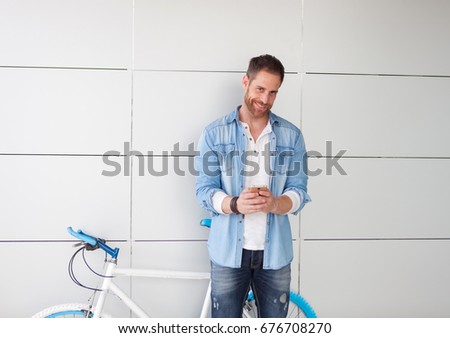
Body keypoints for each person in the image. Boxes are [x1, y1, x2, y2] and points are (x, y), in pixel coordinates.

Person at [195, 54, 310, 318]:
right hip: (228, 254)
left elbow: (299, 191)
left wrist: (275, 203)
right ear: (245, 82)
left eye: (273, 92)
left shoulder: (291, 136)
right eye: (260, 89)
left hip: (275, 255)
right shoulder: (214, 133)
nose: (265, 99)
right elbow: (204, 190)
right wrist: (235, 203)